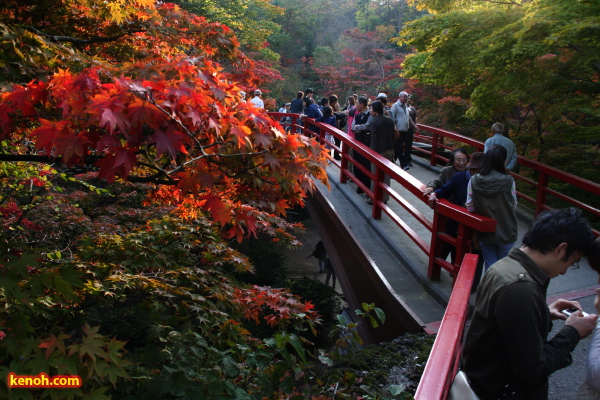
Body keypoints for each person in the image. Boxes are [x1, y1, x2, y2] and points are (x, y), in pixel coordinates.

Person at [462, 207, 598, 400]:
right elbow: (533, 370)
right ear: (561, 249)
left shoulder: (504, 266)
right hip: (500, 391)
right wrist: (573, 332)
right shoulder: (521, 289)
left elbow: (506, 330)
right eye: (572, 262)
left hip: (483, 384)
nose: (565, 272)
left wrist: (543, 313)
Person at [466, 145, 518, 269]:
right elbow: (514, 204)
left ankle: (488, 287)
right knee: (504, 268)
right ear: (504, 160)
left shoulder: (474, 180)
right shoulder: (509, 181)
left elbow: (470, 206)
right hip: (506, 229)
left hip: (486, 231)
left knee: (490, 266)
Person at [353, 100, 396, 205]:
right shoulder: (389, 120)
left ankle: (373, 197)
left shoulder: (374, 121)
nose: (370, 110)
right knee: (386, 176)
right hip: (389, 149)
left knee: (375, 175)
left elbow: (374, 139)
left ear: (376, 111)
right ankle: (385, 198)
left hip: (378, 152)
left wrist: (372, 153)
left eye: (371, 108)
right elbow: (393, 135)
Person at [390, 91, 419, 171]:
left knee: (397, 148)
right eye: (404, 96)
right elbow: (392, 117)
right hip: (398, 130)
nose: (405, 98)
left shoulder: (406, 107)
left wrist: (414, 126)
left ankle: (391, 164)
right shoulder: (395, 106)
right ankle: (403, 164)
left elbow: (408, 118)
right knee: (398, 148)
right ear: (399, 97)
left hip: (405, 130)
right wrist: (394, 128)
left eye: (406, 97)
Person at [351, 96, 372, 195]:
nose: (356, 106)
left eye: (357, 103)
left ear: (362, 104)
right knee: (357, 164)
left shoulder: (370, 115)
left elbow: (368, 126)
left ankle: (366, 186)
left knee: (366, 165)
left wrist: (359, 128)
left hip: (367, 143)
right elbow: (352, 128)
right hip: (357, 141)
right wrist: (361, 128)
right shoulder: (357, 116)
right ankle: (359, 185)